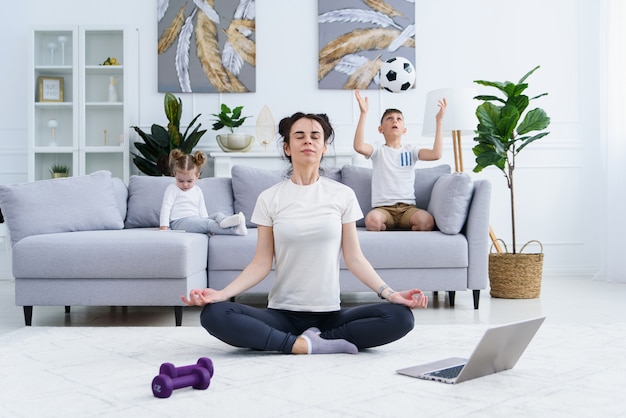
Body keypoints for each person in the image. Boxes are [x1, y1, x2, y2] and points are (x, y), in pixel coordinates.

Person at [181, 112, 428, 355]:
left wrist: (390, 293)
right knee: (214, 313)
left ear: (324, 147)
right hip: (281, 314)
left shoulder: (342, 195)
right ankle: (302, 345)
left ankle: (297, 342)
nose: (308, 140)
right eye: (299, 136)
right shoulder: (269, 198)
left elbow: (354, 258)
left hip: (330, 314)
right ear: (287, 148)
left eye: (315, 136)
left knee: (400, 317)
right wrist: (222, 294)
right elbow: (261, 263)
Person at [353, 90, 447, 231]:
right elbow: (359, 146)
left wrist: (439, 122)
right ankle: (387, 231)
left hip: (407, 209)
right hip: (383, 209)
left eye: (399, 119)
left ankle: (406, 233)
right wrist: (363, 113)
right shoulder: (378, 150)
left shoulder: (411, 150)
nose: (394, 121)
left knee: (426, 222)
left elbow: (436, 154)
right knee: (372, 221)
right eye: (389, 118)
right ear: (381, 129)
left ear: (404, 129)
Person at [159, 149, 247, 236]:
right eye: (180, 181)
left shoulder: (197, 190)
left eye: (189, 181)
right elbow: (166, 208)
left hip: (196, 220)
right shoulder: (172, 189)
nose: (185, 185)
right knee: (208, 223)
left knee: (217, 215)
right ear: (175, 174)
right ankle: (235, 230)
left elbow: (202, 210)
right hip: (179, 222)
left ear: (197, 176)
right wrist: (164, 226)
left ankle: (224, 221)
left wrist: (205, 226)